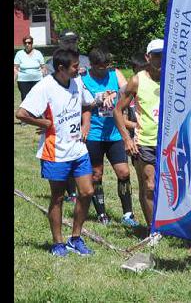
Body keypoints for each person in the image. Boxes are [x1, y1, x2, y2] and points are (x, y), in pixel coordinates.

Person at [16, 47, 109, 256]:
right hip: (55, 152)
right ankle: (57, 243)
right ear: (61, 68)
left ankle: (75, 238)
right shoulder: (44, 87)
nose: (80, 69)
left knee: (87, 192)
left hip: (78, 149)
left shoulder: (77, 82)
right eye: (76, 66)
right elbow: (21, 113)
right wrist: (44, 122)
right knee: (57, 197)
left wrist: (86, 124)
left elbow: (87, 105)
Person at [81, 48, 140, 227]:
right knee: (96, 174)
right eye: (100, 68)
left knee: (124, 172)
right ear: (91, 65)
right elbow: (83, 104)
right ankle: (101, 213)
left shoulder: (115, 74)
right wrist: (100, 98)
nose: (104, 70)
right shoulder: (83, 78)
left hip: (114, 133)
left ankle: (128, 213)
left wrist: (116, 93)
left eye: (106, 66)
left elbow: (126, 90)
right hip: (94, 134)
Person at [113, 39, 164, 228]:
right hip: (146, 141)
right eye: (156, 55)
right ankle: (154, 230)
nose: (160, 59)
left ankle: (168, 225)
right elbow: (117, 111)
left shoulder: (174, 77)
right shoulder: (137, 80)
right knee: (149, 186)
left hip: (170, 142)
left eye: (163, 55)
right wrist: (127, 138)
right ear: (148, 57)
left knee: (167, 188)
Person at [15, 35, 47, 101]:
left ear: (32, 43)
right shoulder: (19, 54)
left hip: (37, 80)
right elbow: (15, 68)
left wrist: (45, 78)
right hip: (23, 80)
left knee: (37, 99)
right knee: (25, 99)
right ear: (23, 44)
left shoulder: (38, 53)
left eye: (29, 43)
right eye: (25, 43)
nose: (27, 44)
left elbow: (43, 67)